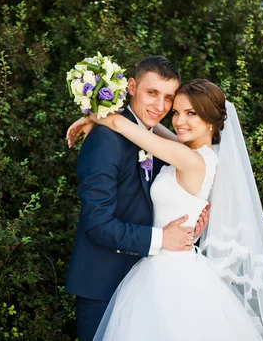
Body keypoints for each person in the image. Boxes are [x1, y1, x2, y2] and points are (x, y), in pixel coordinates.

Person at [68, 79, 263, 340]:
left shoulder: (190, 159)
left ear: (211, 121)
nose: (179, 121)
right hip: (162, 263)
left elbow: (122, 125)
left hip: (169, 271)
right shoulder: (192, 152)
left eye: (191, 113)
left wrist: (91, 117)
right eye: (177, 112)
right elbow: (151, 128)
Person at [65, 56, 211, 341]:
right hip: (104, 285)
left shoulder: (158, 140)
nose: (160, 107)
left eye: (168, 97)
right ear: (131, 86)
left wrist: (191, 223)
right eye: (152, 93)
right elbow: (97, 223)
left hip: (151, 285)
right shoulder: (105, 139)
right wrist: (161, 238)